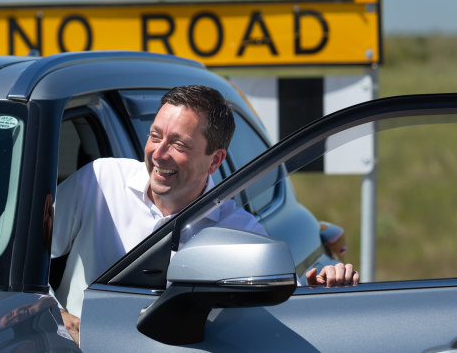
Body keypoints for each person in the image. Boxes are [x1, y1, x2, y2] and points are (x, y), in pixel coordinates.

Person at [52, 85, 359, 345]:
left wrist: (325, 297)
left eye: (178, 144)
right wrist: (58, 316)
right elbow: (17, 260)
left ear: (215, 161)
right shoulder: (100, 180)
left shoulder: (242, 235)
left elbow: (273, 323)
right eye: (155, 136)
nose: (158, 153)